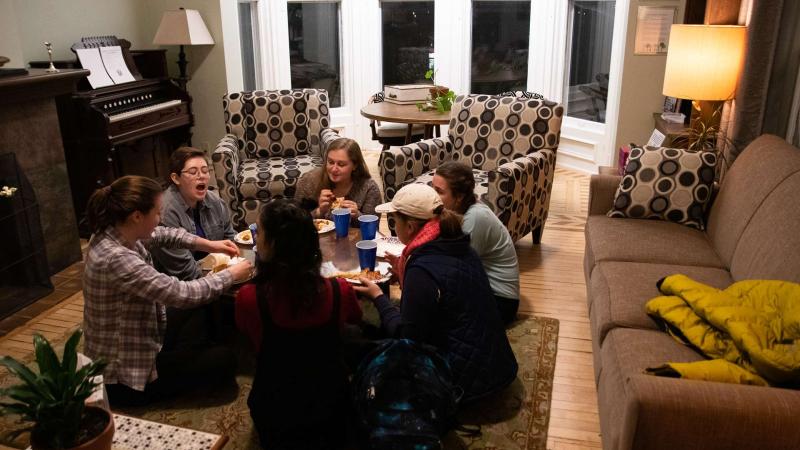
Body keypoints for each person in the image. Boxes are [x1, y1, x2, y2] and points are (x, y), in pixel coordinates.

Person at [82, 175, 253, 407]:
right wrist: (233, 274)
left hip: (145, 334)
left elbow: (164, 234)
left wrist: (209, 244)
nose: (160, 219)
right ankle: (184, 362)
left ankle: (186, 355)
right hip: (125, 375)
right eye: (157, 213)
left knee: (205, 307)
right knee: (225, 360)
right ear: (137, 216)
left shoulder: (117, 230)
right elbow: (182, 293)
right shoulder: (116, 259)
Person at [353, 184, 518, 404]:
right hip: (498, 367)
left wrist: (379, 298)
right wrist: (405, 274)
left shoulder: (422, 269)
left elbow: (407, 336)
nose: (394, 226)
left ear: (410, 226)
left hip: (461, 384)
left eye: (394, 221)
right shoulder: (459, 246)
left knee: (365, 341)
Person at [235, 199, 362, 449]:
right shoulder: (341, 290)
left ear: (271, 245)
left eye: (259, 232)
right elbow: (355, 319)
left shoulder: (248, 298)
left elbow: (248, 335)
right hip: (331, 405)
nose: (255, 238)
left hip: (276, 410)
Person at [432, 161, 520, 324]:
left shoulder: (474, 217)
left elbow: (456, 270)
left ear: (459, 197)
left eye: (439, 191)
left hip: (500, 302)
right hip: (483, 290)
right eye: (432, 188)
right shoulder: (457, 211)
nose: (432, 195)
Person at [152, 146, 236, 280]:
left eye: (205, 171)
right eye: (193, 172)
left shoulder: (215, 201)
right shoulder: (165, 213)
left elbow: (230, 237)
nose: (201, 176)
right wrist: (230, 274)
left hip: (217, 271)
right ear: (176, 178)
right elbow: (185, 272)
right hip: (184, 286)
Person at [295, 137, 381, 224]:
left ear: (355, 165)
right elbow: (295, 222)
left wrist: (357, 216)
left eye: (341, 164)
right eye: (330, 162)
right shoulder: (308, 181)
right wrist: (319, 211)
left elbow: (374, 229)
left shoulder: (369, 188)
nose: (334, 169)